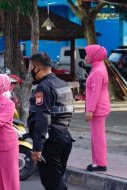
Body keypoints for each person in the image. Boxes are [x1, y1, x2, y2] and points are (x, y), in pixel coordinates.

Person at [28, 53, 74, 190]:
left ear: (37, 67)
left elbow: (42, 118)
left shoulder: (43, 87)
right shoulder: (62, 83)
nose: (30, 70)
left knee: (52, 184)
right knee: (56, 180)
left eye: (31, 67)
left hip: (50, 141)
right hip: (64, 137)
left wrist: (37, 147)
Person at [84, 45, 110, 172]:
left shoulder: (98, 71)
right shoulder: (97, 67)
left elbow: (96, 92)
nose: (86, 56)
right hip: (98, 108)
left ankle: (101, 164)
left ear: (94, 55)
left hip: (98, 109)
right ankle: (96, 162)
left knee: (98, 137)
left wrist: (90, 110)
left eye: (88, 54)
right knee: (95, 136)